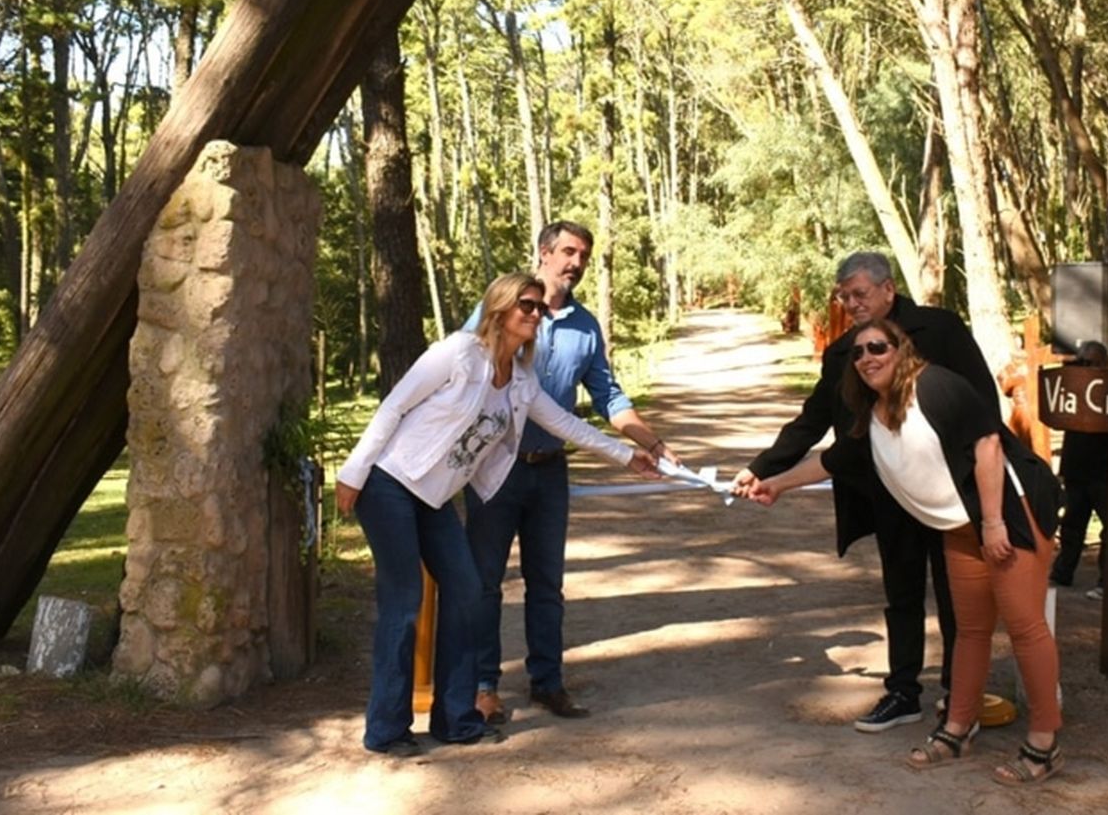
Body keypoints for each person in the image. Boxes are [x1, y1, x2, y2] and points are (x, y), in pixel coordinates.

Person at [335, 272, 659, 757]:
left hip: (435, 498)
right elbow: (394, 406)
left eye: (540, 310)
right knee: (404, 603)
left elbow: (565, 423)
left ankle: (455, 719)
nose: (535, 314)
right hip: (391, 485)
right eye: (526, 306)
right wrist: (353, 471)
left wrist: (627, 455)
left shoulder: (522, 381)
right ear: (500, 309)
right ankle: (387, 729)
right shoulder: (457, 353)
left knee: (467, 594)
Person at [739, 319, 1064, 785]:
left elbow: (988, 444)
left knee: (1024, 627)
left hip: (1010, 511)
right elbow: (831, 461)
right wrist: (775, 484)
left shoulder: (934, 386)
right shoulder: (872, 416)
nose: (868, 357)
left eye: (878, 347)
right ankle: (957, 727)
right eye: (858, 353)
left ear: (900, 349)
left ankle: (1044, 743)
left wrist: (993, 523)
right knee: (970, 630)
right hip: (959, 525)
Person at [733, 252, 998, 733]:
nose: (851, 304)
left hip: (952, 494)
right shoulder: (843, 354)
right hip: (890, 491)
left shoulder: (939, 329)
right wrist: (762, 468)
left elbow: (982, 406)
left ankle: (961, 697)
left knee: (957, 593)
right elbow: (814, 423)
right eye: (844, 296)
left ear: (888, 291)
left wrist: (989, 492)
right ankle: (903, 692)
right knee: (901, 593)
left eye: (859, 294)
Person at [460, 221, 679, 723]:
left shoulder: (586, 326)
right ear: (543, 252)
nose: (576, 263)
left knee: (547, 584)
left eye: (583, 254)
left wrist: (652, 443)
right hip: (493, 470)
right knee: (485, 582)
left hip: (549, 472)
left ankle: (547, 683)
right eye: (567, 252)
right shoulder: (501, 308)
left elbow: (608, 396)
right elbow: (464, 373)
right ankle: (482, 685)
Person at [1049, 340, 1108, 598]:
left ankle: (1107, 580)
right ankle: (1063, 571)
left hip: (1104, 471)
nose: (1086, 367)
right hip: (1077, 468)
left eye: (1091, 363)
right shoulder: (1073, 390)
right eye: (1083, 362)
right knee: (1073, 524)